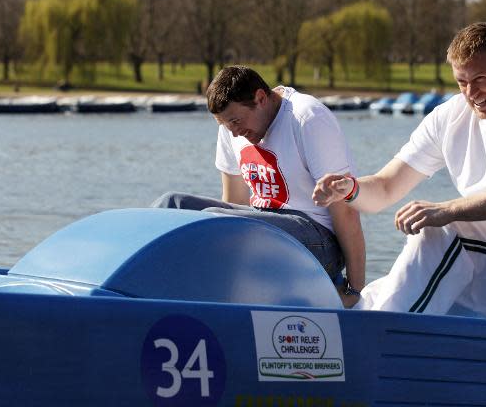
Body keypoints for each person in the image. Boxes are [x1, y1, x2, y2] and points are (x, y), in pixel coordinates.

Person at [313, 22, 486, 321]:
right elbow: (385, 189)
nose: (472, 93)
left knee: (440, 229)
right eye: (461, 82)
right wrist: (349, 189)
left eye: (481, 79)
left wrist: (448, 210)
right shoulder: (448, 117)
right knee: (378, 292)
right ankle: (342, 341)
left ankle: (379, 339)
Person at [152, 65, 365, 307]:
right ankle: (138, 293)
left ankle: (179, 301)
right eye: (225, 126)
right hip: (265, 228)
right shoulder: (233, 129)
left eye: (235, 121)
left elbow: (346, 210)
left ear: (260, 98)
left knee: (214, 222)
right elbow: (234, 202)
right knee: (171, 204)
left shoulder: (308, 119)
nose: (234, 134)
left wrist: (355, 290)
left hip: (320, 241)